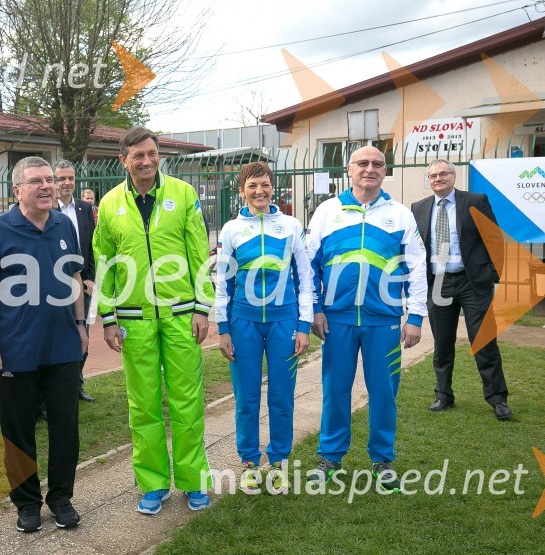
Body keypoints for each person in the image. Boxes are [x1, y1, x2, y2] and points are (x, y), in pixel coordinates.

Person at [94, 126, 214, 514]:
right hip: (134, 320)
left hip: (181, 315)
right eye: (138, 155)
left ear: (158, 154)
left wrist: (201, 307)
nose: (146, 161)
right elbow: (105, 264)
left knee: (187, 402)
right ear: (123, 160)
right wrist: (107, 317)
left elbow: (199, 253)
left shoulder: (183, 194)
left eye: (152, 153)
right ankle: (152, 483)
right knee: (142, 405)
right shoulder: (110, 204)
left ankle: (194, 480)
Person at [0, 156, 86, 533]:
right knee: (18, 431)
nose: (46, 186)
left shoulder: (64, 224)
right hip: (15, 349)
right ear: (17, 190)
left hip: (64, 347)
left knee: (65, 427)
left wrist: (81, 323)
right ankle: (26, 503)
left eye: (50, 180)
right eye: (36, 181)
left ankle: (61, 498)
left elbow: (73, 277)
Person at [306, 146, 427, 492]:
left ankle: (382, 460)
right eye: (362, 163)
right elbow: (309, 266)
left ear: (385, 170)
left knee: (384, 392)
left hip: (384, 320)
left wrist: (415, 316)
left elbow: (417, 269)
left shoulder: (400, 214)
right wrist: (315, 309)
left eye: (377, 164)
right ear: (349, 169)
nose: (369, 169)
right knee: (335, 390)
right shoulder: (327, 212)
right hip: (337, 320)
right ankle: (330, 456)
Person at [214, 161, 313, 493]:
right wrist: (223, 328)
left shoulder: (291, 225)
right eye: (253, 185)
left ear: (274, 188)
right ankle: (249, 462)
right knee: (246, 398)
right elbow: (223, 283)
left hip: (284, 323)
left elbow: (304, 278)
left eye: (265, 185)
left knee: (282, 397)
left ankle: (280, 461)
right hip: (244, 324)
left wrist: (304, 324)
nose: (260, 191)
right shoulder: (231, 230)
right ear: (242, 190)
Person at [411, 159, 511, 420]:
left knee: (484, 341)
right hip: (438, 283)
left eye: (443, 173)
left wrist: (492, 273)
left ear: (454, 177)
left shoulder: (475, 201)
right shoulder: (419, 208)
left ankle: (497, 399)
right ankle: (443, 395)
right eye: (432, 176)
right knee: (442, 342)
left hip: (471, 282)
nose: (438, 179)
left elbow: (494, 238)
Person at [55, 160, 97, 402]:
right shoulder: (47, 207)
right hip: (57, 286)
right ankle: (56, 390)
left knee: (83, 336)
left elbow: (91, 247)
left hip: (83, 285)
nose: (67, 182)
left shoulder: (84, 208)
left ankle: (77, 384)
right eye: (61, 178)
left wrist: (90, 277)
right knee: (59, 336)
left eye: (70, 178)